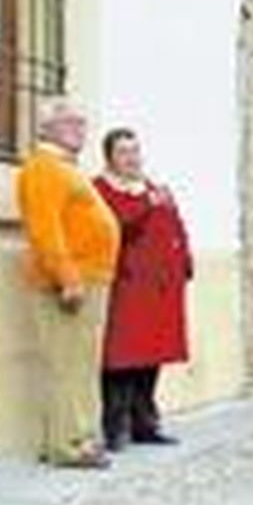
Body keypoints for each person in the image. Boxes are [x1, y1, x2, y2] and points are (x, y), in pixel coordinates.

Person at [15, 100, 120, 469]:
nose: (80, 127)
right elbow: (45, 230)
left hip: (90, 279)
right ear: (45, 128)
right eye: (69, 121)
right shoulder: (43, 168)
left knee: (79, 364)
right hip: (69, 284)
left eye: (82, 121)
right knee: (68, 365)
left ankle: (72, 438)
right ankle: (71, 445)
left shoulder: (63, 168)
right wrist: (68, 278)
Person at [94, 128, 192, 449]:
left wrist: (185, 261)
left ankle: (145, 424)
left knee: (153, 359)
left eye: (135, 150)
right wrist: (146, 204)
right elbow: (117, 225)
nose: (132, 158)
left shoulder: (153, 187)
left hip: (162, 289)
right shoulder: (102, 189)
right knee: (122, 360)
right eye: (123, 152)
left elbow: (176, 223)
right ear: (109, 157)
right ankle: (115, 426)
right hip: (129, 285)